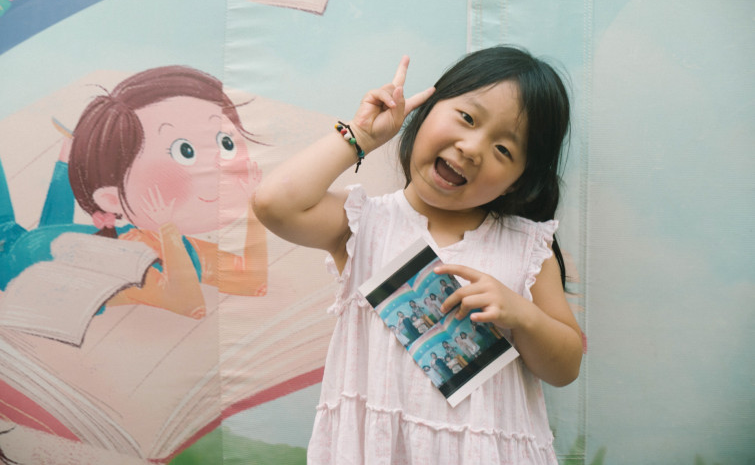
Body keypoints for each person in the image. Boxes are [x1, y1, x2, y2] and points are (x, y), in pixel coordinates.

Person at [253, 46, 583, 464]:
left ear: (518, 182)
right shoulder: (364, 223)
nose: (472, 148)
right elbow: (274, 204)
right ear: (425, 110)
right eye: (467, 118)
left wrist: (522, 314)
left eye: (504, 149)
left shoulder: (526, 247)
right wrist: (360, 137)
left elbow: (565, 368)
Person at [67, 66, 268, 318]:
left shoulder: (178, 245)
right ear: (112, 199)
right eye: (185, 152)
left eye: (225, 143)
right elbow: (189, 305)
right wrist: (167, 229)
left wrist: (253, 206)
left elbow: (253, 282)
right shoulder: (130, 259)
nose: (218, 164)